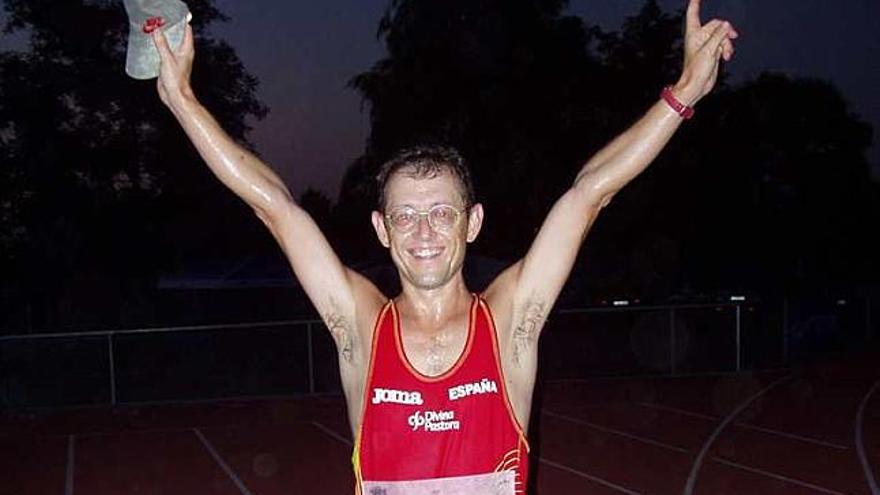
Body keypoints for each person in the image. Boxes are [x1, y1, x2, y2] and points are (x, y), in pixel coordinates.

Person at [151, 0, 736, 492]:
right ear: (382, 230)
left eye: (440, 214)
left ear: (471, 223)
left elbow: (590, 194)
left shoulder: (510, 322)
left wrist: (682, 93)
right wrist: (182, 100)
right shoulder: (359, 325)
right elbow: (274, 206)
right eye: (405, 216)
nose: (424, 232)